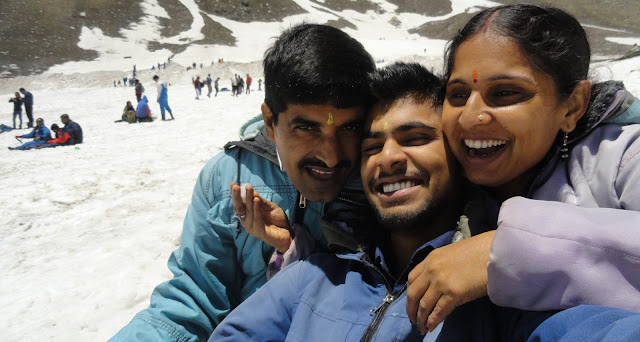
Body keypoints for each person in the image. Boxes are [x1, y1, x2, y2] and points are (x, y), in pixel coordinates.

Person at [209, 62, 553, 341]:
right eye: (371, 148)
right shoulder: (311, 277)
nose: (387, 158)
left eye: (416, 138)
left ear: (461, 155)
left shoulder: (501, 293)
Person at [109, 23, 376, 341]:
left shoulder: (381, 179)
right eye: (307, 128)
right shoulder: (226, 179)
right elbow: (193, 301)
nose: (331, 157)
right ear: (270, 122)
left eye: (348, 129)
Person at [404, 4, 640, 334]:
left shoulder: (625, 157)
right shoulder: (439, 173)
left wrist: (506, 251)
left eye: (504, 93)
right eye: (457, 94)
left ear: (572, 106)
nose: (471, 117)